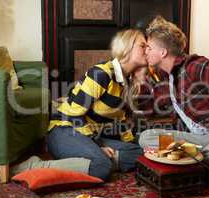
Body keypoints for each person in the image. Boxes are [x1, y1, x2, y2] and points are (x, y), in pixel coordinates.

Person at [11, 29, 147, 181]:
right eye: (143, 45)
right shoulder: (101, 74)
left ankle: (84, 163)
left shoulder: (125, 81)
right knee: (102, 167)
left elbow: (120, 120)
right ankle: (33, 167)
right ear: (127, 47)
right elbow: (73, 114)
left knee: (139, 154)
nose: (147, 50)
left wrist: (130, 143)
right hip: (65, 130)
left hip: (90, 135)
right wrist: (98, 146)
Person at [137, 16, 209, 169]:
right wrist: (141, 80)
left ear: (163, 52)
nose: (145, 52)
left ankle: (182, 164)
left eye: (149, 48)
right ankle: (192, 163)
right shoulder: (164, 77)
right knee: (146, 137)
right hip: (194, 140)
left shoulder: (192, 66)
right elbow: (149, 111)